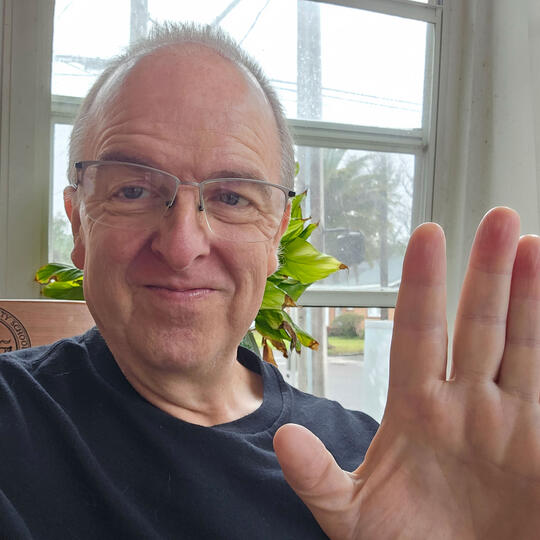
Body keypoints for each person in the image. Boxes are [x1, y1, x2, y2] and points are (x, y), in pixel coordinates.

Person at [0, 22, 539, 539]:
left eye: (232, 198)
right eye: (133, 191)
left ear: (276, 236)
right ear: (78, 223)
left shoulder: (376, 466)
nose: (182, 247)